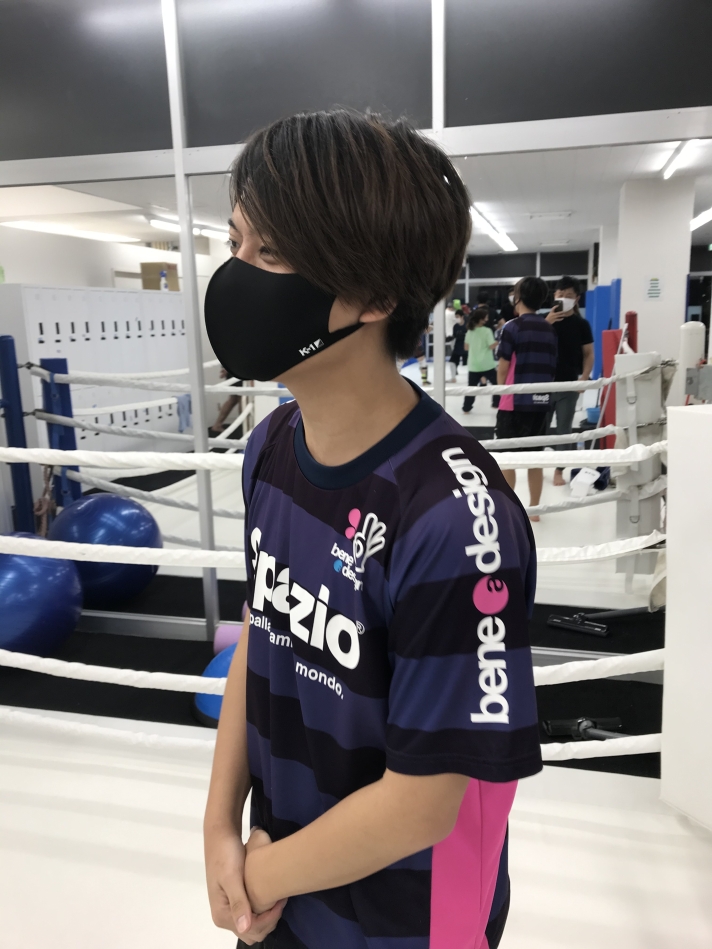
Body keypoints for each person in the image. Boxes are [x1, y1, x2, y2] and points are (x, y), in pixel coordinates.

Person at [202, 110, 542, 949]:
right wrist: (218, 824)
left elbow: (423, 803)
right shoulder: (271, 445)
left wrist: (257, 879)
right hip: (280, 888)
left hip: (402, 923)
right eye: (236, 241)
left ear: (377, 297)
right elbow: (261, 627)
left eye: (271, 254)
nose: (236, 273)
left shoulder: (454, 517)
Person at [496, 276, 557, 520]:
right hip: (541, 401)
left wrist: (500, 391)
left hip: (513, 402)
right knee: (535, 457)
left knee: (507, 458)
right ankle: (534, 509)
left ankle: (509, 509)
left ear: (518, 297)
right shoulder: (549, 329)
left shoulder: (512, 327)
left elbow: (503, 366)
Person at [545, 276, 594, 486]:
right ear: (554, 296)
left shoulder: (581, 324)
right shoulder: (544, 322)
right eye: (560, 294)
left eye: (569, 295)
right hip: (543, 384)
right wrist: (546, 323)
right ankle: (535, 466)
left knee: (564, 429)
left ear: (576, 299)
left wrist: (584, 378)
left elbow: (589, 353)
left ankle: (559, 469)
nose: (564, 298)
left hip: (568, 384)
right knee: (540, 428)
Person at [462, 308, 497, 412]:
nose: (487, 319)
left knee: (471, 388)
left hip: (473, 365)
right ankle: (496, 403)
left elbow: (466, 347)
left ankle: (466, 408)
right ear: (481, 319)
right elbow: (491, 346)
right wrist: (499, 341)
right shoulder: (487, 331)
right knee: (497, 384)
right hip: (487, 364)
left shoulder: (469, 331)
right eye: (486, 317)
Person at [448, 308, 467, 376]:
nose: (456, 318)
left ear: (462, 317)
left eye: (457, 317)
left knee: (469, 363)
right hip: (457, 346)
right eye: (455, 317)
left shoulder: (467, 325)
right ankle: (453, 376)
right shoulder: (455, 326)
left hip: (466, 347)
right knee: (452, 361)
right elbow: (454, 336)